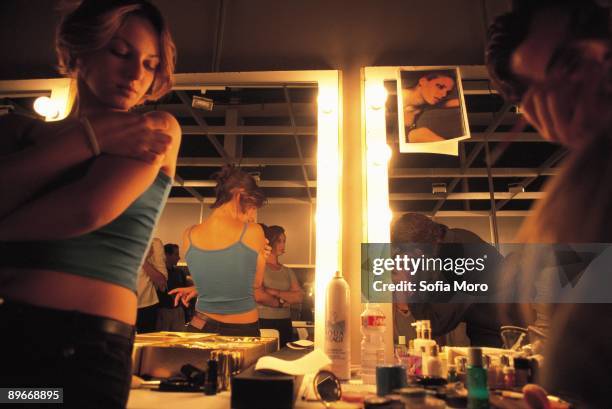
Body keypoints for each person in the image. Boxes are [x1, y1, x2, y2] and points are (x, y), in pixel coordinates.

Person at [0, 1, 180, 407]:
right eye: (121, 52)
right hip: (12, 337)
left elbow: (88, 209)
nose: (136, 75)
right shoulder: (18, 130)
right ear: (78, 50)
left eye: (150, 64)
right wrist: (87, 140)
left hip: (83, 352)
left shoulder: (153, 129)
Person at [486, 0, 612, 407]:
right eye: (568, 64)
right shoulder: (585, 207)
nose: (600, 58)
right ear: (541, 112)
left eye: (599, 33)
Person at [170, 166, 280, 337]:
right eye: (252, 207)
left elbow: (215, 281)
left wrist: (198, 288)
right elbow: (254, 285)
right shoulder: (253, 231)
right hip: (241, 331)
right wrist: (261, 258)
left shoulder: (189, 234)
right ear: (239, 195)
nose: (252, 216)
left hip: (200, 326)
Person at [390, 213, 527, 347]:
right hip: (496, 328)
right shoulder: (452, 239)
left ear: (419, 251)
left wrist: (409, 289)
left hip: (504, 336)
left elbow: (437, 324)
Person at [257, 225, 304, 346]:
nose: (283, 245)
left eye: (284, 241)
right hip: (263, 322)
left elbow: (299, 296)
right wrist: (284, 301)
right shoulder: (260, 267)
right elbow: (259, 295)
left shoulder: (287, 271)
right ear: (270, 241)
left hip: (285, 322)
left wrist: (274, 292)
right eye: (279, 241)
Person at [401, 71, 460, 143]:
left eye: (447, 92)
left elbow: (456, 103)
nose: (444, 94)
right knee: (418, 133)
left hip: (406, 144)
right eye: (440, 86)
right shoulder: (400, 96)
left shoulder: (426, 103)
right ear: (423, 81)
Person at [155, 243, 191, 331]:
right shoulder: (158, 273)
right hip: (163, 311)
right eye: (176, 254)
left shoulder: (180, 272)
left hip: (178, 311)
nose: (179, 257)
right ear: (167, 255)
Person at [136, 237, 167, 333]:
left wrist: (143, 261)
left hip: (145, 306)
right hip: (116, 304)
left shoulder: (154, 244)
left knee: (145, 345)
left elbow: (162, 282)